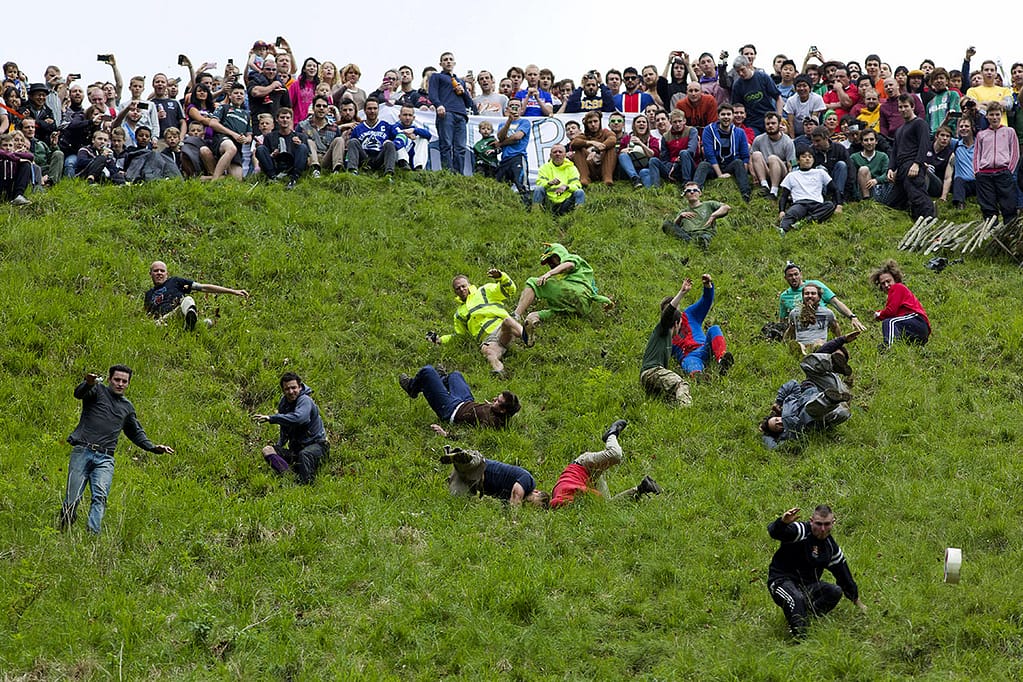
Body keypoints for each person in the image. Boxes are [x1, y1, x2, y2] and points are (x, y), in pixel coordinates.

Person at [60, 366, 175, 533]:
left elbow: (135, 432)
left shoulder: (127, 407)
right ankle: (65, 528)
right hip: (83, 451)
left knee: (100, 496)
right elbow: (79, 394)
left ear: (128, 384)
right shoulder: (96, 390)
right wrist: (88, 382)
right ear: (109, 379)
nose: (120, 384)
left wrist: (153, 447)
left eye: (124, 381)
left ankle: (92, 535)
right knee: (72, 498)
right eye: (117, 380)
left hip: (105, 458)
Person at [767, 504, 866, 638]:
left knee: (835, 591)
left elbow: (844, 575)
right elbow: (775, 532)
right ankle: (800, 639)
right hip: (781, 582)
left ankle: (806, 618)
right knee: (797, 598)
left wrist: (857, 602)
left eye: (827, 524)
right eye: (819, 524)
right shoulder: (801, 531)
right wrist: (783, 522)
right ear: (811, 521)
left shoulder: (830, 548)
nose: (823, 529)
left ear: (833, 523)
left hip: (807, 587)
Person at [760, 337, 857, 449]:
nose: (779, 423)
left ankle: (832, 365)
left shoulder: (787, 404)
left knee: (806, 364)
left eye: (776, 420)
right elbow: (774, 447)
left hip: (819, 386)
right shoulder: (790, 433)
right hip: (821, 408)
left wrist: (779, 401)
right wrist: (765, 434)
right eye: (777, 427)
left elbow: (793, 384)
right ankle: (831, 400)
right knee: (814, 410)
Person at [511, 242, 613, 344]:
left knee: (533, 282)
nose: (551, 263)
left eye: (552, 259)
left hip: (574, 291)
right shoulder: (579, 275)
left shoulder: (572, 258)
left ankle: (516, 315)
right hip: (583, 308)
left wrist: (549, 273)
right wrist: (608, 302)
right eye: (548, 262)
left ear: (560, 254)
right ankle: (532, 318)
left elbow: (569, 264)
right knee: (555, 312)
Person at [431, 269, 527, 375]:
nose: (462, 289)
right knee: (487, 351)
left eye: (463, 286)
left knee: (508, 321)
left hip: (500, 327)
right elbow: (459, 335)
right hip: (489, 339)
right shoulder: (458, 314)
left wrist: (501, 277)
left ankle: (526, 336)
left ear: (469, 285)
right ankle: (499, 371)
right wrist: (441, 340)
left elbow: (510, 290)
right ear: (455, 292)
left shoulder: (484, 291)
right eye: (458, 289)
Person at [549, 420, 661, 508]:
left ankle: (611, 434)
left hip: (583, 466)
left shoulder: (560, 500)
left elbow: (589, 494)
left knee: (615, 455)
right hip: (590, 480)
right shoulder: (571, 506)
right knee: (607, 506)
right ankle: (642, 488)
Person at [252, 372, 329, 484]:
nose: (291, 391)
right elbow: (285, 430)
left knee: (305, 454)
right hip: (297, 450)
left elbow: (300, 418)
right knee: (268, 450)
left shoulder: (305, 400)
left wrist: (272, 418)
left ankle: (306, 485)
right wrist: (279, 448)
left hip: (317, 447)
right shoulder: (284, 404)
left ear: (300, 387)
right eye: (287, 389)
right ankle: (289, 477)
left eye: (294, 388)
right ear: (283, 390)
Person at [398, 365, 521, 434]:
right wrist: (491, 406)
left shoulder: (491, 422)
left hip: (450, 409)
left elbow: (470, 435)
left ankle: (412, 388)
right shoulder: (499, 413)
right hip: (466, 401)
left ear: (503, 410)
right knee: (456, 375)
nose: (494, 399)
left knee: (427, 371)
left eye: (497, 401)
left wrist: (446, 434)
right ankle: (441, 379)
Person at [143, 260, 249, 330]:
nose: (159, 273)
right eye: (156, 271)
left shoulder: (175, 281)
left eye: (162, 271)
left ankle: (191, 321)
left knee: (188, 300)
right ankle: (198, 325)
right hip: (163, 321)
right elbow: (147, 316)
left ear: (167, 274)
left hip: (178, 313)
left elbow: (203, 287)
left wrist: (233, 291)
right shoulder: (149, 294)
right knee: (153, 326)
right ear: (150, 274)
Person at [669, 273, 735, 379]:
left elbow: (705, 302)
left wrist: (708, 286)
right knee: (689, 362)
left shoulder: (689, 315)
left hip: (704, 347)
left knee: (714, 329)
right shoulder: (667, 335)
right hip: (690, 356)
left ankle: (722, 359)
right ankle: (698, 376)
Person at [640, 279, 694, 407]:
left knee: (670, 397)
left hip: (650, 377)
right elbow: (668, 313)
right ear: (676, 323)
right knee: (681, 384)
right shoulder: (663, 329)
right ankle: (686, 412)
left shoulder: (667, 338)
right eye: (680, 323)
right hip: (652, 372)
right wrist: (681, 293)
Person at [437, 445, 546, 507]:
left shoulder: (508, 499)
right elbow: (516, 493)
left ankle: (456, 458)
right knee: (471, 463)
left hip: (473, 482)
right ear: (537, 492)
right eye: (534, 502)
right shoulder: (529, 481)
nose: (530, 504)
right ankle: (460, 457)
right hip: (482, 466)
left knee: (457, 500)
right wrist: (515, 518)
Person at [885, 95, 937, 220]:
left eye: (906, 106)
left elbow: (924, 145)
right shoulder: (899, 130)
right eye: (900, 107)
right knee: (892, 203)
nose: (903, 109)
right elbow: (894, 151)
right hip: (901, 169)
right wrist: (891, 168)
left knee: (917, 194)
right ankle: (912, 218)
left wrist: (917, 164)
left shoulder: (920, 123)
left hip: (912, 165)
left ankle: (930, 218)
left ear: (912, 107)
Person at [776, 261, 865, 332]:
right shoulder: (784, 297)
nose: (794, 277)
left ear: (801, 274)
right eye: (790, 276)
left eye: (796, 274)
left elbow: (835, 302)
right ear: (785, 278)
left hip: (822, 325)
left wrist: (852, 317)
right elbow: (783, 320)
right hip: (801, 329)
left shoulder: (815, 285)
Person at [972, 101, 1020, 223]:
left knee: (1008, 205)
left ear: (1001, 115)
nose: (994, 118)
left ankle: (1010, 233)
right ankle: (991, 233)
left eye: (997, 114)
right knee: (988, 207)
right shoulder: (981, 135)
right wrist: (977, 171)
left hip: (1003, 172)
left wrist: (1010, 170)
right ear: (987, 116)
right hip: (985, 174)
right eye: (991, 115)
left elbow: (1015, 153)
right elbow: (977, 154)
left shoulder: (1009, 132)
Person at [429, 52, 475, 174]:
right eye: (445, 60)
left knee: (460, 146)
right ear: (441, 63)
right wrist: (438, 105)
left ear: (454, 63)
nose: (448, 61)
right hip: (446, 113)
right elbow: (432, 94)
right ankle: (447, 173)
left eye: (450, 59)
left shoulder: (460, 81)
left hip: (461, 115)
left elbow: (469, 103)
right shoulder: (436, 77)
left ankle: (458, 174)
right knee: (446, 144)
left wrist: (463, 91)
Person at [694, 103, 751, 202]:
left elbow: (745, 155)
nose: (726, 117)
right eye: (723, 114)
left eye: (728, 114)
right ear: (718, 116)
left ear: (733, 116)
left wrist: (743, 173)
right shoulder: (709, 130)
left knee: (739, 162)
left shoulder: (740, 132)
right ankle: (694, 191)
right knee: (703, 165)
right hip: (714, 165)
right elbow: (709, 154)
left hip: (730, 164)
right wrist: (720, 175)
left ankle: (745, 194)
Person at [870, 259, 930, 348]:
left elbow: (891, 311)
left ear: (895, 279)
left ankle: (889, 348)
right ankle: (892, 347)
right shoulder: (897, 293)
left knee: (889, 322)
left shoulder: (897, 288)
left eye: (888, 281)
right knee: (895, 326)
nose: (886, 285)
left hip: (917, 321)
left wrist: (879, 314)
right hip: (919, 330)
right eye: (883, 283)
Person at [778, 146, 836, 233]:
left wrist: (839, 204)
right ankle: (783, 230)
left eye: (810, 157)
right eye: (804, 157)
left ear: (813, 160)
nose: (807, 159)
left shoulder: (820, 172)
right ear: (798, 160)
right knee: (791, 213)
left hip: (816, 204)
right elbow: (784, 196)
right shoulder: (792, 175)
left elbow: (834, 189)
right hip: (800, 203)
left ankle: (804, 222)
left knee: (829, 205)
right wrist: (781, 210)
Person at [662, 182, 731, 247]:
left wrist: (713, 215)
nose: (692, 192)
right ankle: (693, 243)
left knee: (704, 238)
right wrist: (680, 217)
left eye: (695, 190)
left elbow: (726, 207)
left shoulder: (709, 204)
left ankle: (696, 243)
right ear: (685, 195)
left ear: (700, 193)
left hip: (704, 233)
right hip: (687, 235)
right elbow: (675, 227)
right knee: (666, 224)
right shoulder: (683, 212)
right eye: (688, 191)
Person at [255, 107, 310, 188]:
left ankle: (294, 179)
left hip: (293, 165)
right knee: (260, 149)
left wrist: (299, 146)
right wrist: (273, 155)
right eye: (282, 117)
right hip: (276, 166)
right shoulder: (269, 137)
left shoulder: (300, 136)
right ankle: (273, 178)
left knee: (302, 147)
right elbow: (264, 160)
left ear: (291, 120)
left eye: (287, 118)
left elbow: (308, 160)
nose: (285, 120)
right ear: (277, 119)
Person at [784, 283, 843, 354]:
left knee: (819, 344)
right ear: (803, 297)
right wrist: (785, 341)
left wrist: (839, 342)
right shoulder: (795, 313)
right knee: (799, 345)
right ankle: (801, 352)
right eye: (806, 293)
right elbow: (791, 329)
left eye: (813, 293)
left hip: (819, 343)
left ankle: (815, 352)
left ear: (819, 297)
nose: (809, 296)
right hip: (802, 343)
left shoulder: (827, 313)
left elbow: (835, 327)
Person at [345, 97, 396, 176]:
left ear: (378, 110)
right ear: (364, 110)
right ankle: (352, 171)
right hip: (364, 158)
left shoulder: (386, 126)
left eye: (375, 108)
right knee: (352, 141)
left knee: (390, 144)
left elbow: (399, 136)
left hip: (380, 157)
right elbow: (351, 149)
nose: (372, 111)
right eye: (369, 108)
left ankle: (389, 174)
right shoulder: (358, 128)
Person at [751, 112, 795, 197]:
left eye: (773, 123)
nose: (770, 126)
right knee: (756, 154)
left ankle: (774, 191)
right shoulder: (758, 139)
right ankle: (765, 186)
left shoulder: (788, 141)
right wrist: (753, 175)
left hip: (782, 173)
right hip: (766, 171)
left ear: (779, 124)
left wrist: (791, 183)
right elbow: (751, 159)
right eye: (768, 124)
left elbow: (792, 163)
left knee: (772, 158)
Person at [533, 144, 585, 215]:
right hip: (548, 201)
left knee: (580, 192)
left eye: (560, 152)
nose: (557, 154)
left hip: (566, 202)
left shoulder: (572, 168)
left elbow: (577, 185)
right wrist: (549, 183)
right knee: (538, 189)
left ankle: (577, 217)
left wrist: (566, 187)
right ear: (550, 155)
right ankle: (536, 215)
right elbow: (539, 183)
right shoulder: (544, 168)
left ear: (564, 155)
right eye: (555, 152)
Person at [495, 99, 530, 202]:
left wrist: (501, 144)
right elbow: (500, 136)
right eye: (511, 106)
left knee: (522, 186)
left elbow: (517, 137)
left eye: (517, 106)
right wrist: (509, 121)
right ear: (507, 109)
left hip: (518, 157)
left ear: (521, 109)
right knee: (500, 188)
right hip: (505, 159)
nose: (514, 108)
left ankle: (526, 210)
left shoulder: (525, 122)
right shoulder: (502, 124)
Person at [570, 111, 617, 186]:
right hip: (590, 166)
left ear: (600, 122)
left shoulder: (605, 132)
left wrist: (596, 150)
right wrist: (591, 142)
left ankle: (607, 178)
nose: (593, 124)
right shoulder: (584, 135)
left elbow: (612, 140)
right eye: (590, 122)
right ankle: (584, 178)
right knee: (578, 150)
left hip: (604, 165)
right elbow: (574, 143)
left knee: (611, 149)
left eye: (595, 121)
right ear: (586, 124)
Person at [851, 128, 891, 201]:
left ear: (876, 141)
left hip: (879, 189)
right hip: (861, 191)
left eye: (872, 139)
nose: (869, 143)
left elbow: (887, 173)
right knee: (864, 169)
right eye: (866, 140)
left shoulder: (883, 156)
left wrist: (876, 180)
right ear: (862, 143)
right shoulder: (854, 157)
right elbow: (851, 178)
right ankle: (867, 201)